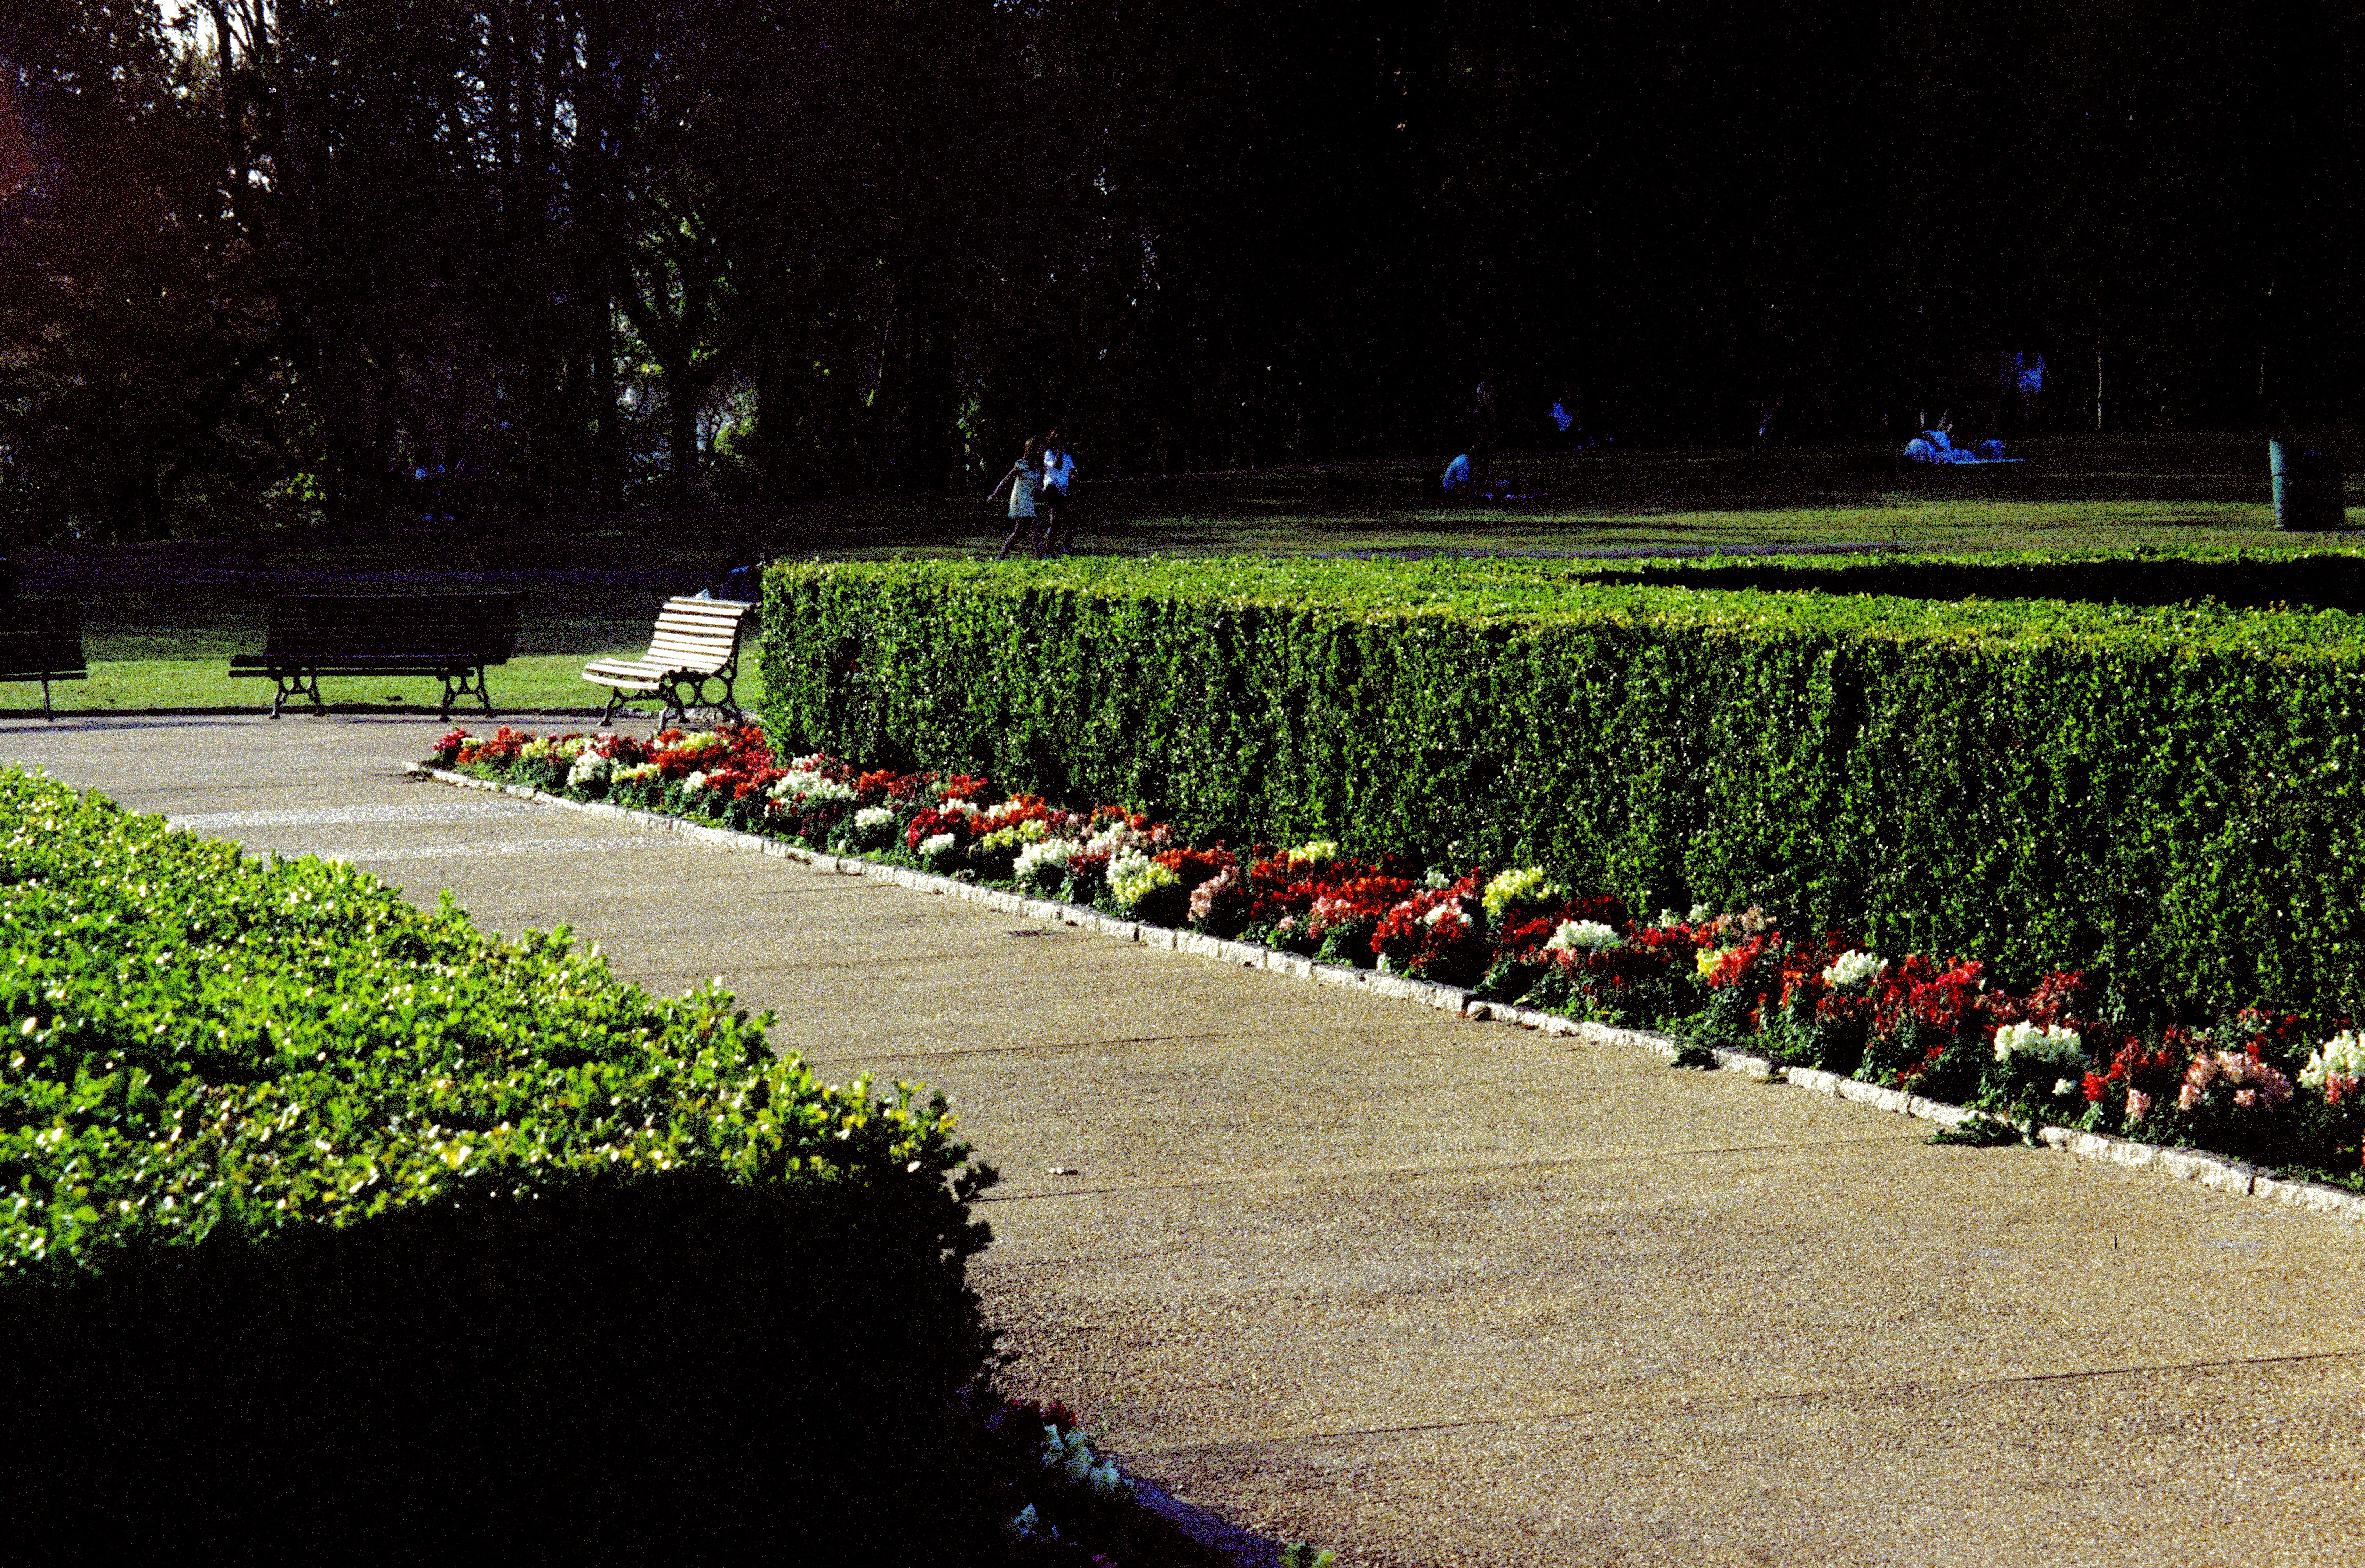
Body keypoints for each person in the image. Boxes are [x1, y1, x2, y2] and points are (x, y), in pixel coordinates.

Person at [988, 438, 1044, 560]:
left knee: (1019, 533)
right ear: (1032, 450)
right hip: (1020, 500)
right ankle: (1041, 557)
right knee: (1036, 527)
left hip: (1029, 500)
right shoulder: (1021, 465)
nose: (1041, 451)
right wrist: (995, 494)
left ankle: (1001, 557)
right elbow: (1007, 480)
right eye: (1039, 449)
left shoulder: (1038, 467)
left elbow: (1038, 488)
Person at [1039, 429, 1076, 555]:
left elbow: (1071, 472)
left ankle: (1066, 550)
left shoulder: (1068, 456)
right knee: (1056, 520)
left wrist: (1074, 476)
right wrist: (1059, 450)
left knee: (1073, 519)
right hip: (1052, 487)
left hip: (1064, 489)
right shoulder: (1049, 454)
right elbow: (1058, 466)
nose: (1062, 442)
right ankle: (1048, 553)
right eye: (1059, 439)